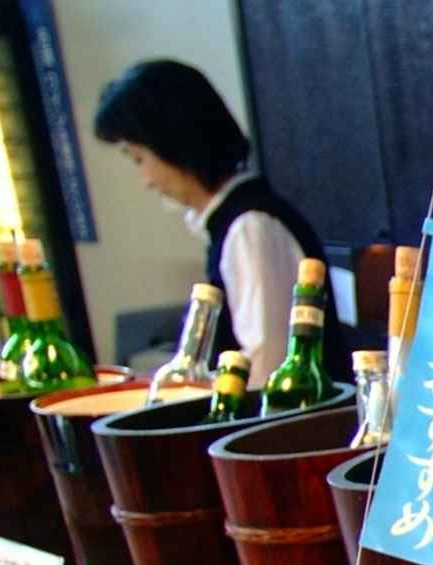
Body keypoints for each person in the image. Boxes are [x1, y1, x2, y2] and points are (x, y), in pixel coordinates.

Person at [93, 59, 348, 385]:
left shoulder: (250, 228)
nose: (145, 180)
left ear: (172, 143)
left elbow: (265, 369)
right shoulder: (231, 223)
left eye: (140, 159)